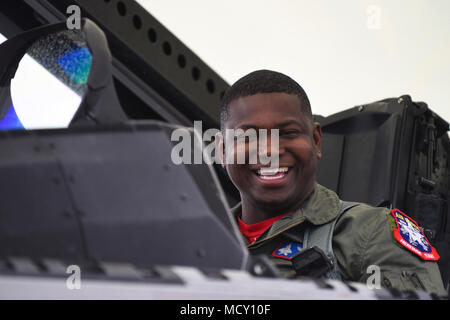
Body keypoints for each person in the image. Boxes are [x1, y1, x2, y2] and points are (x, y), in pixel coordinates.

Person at [215, 69, 447, 295]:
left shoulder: (371, 235)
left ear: (316, 140)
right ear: (223, 151)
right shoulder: (193, 239)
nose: (269, 151)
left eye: (287, 133)